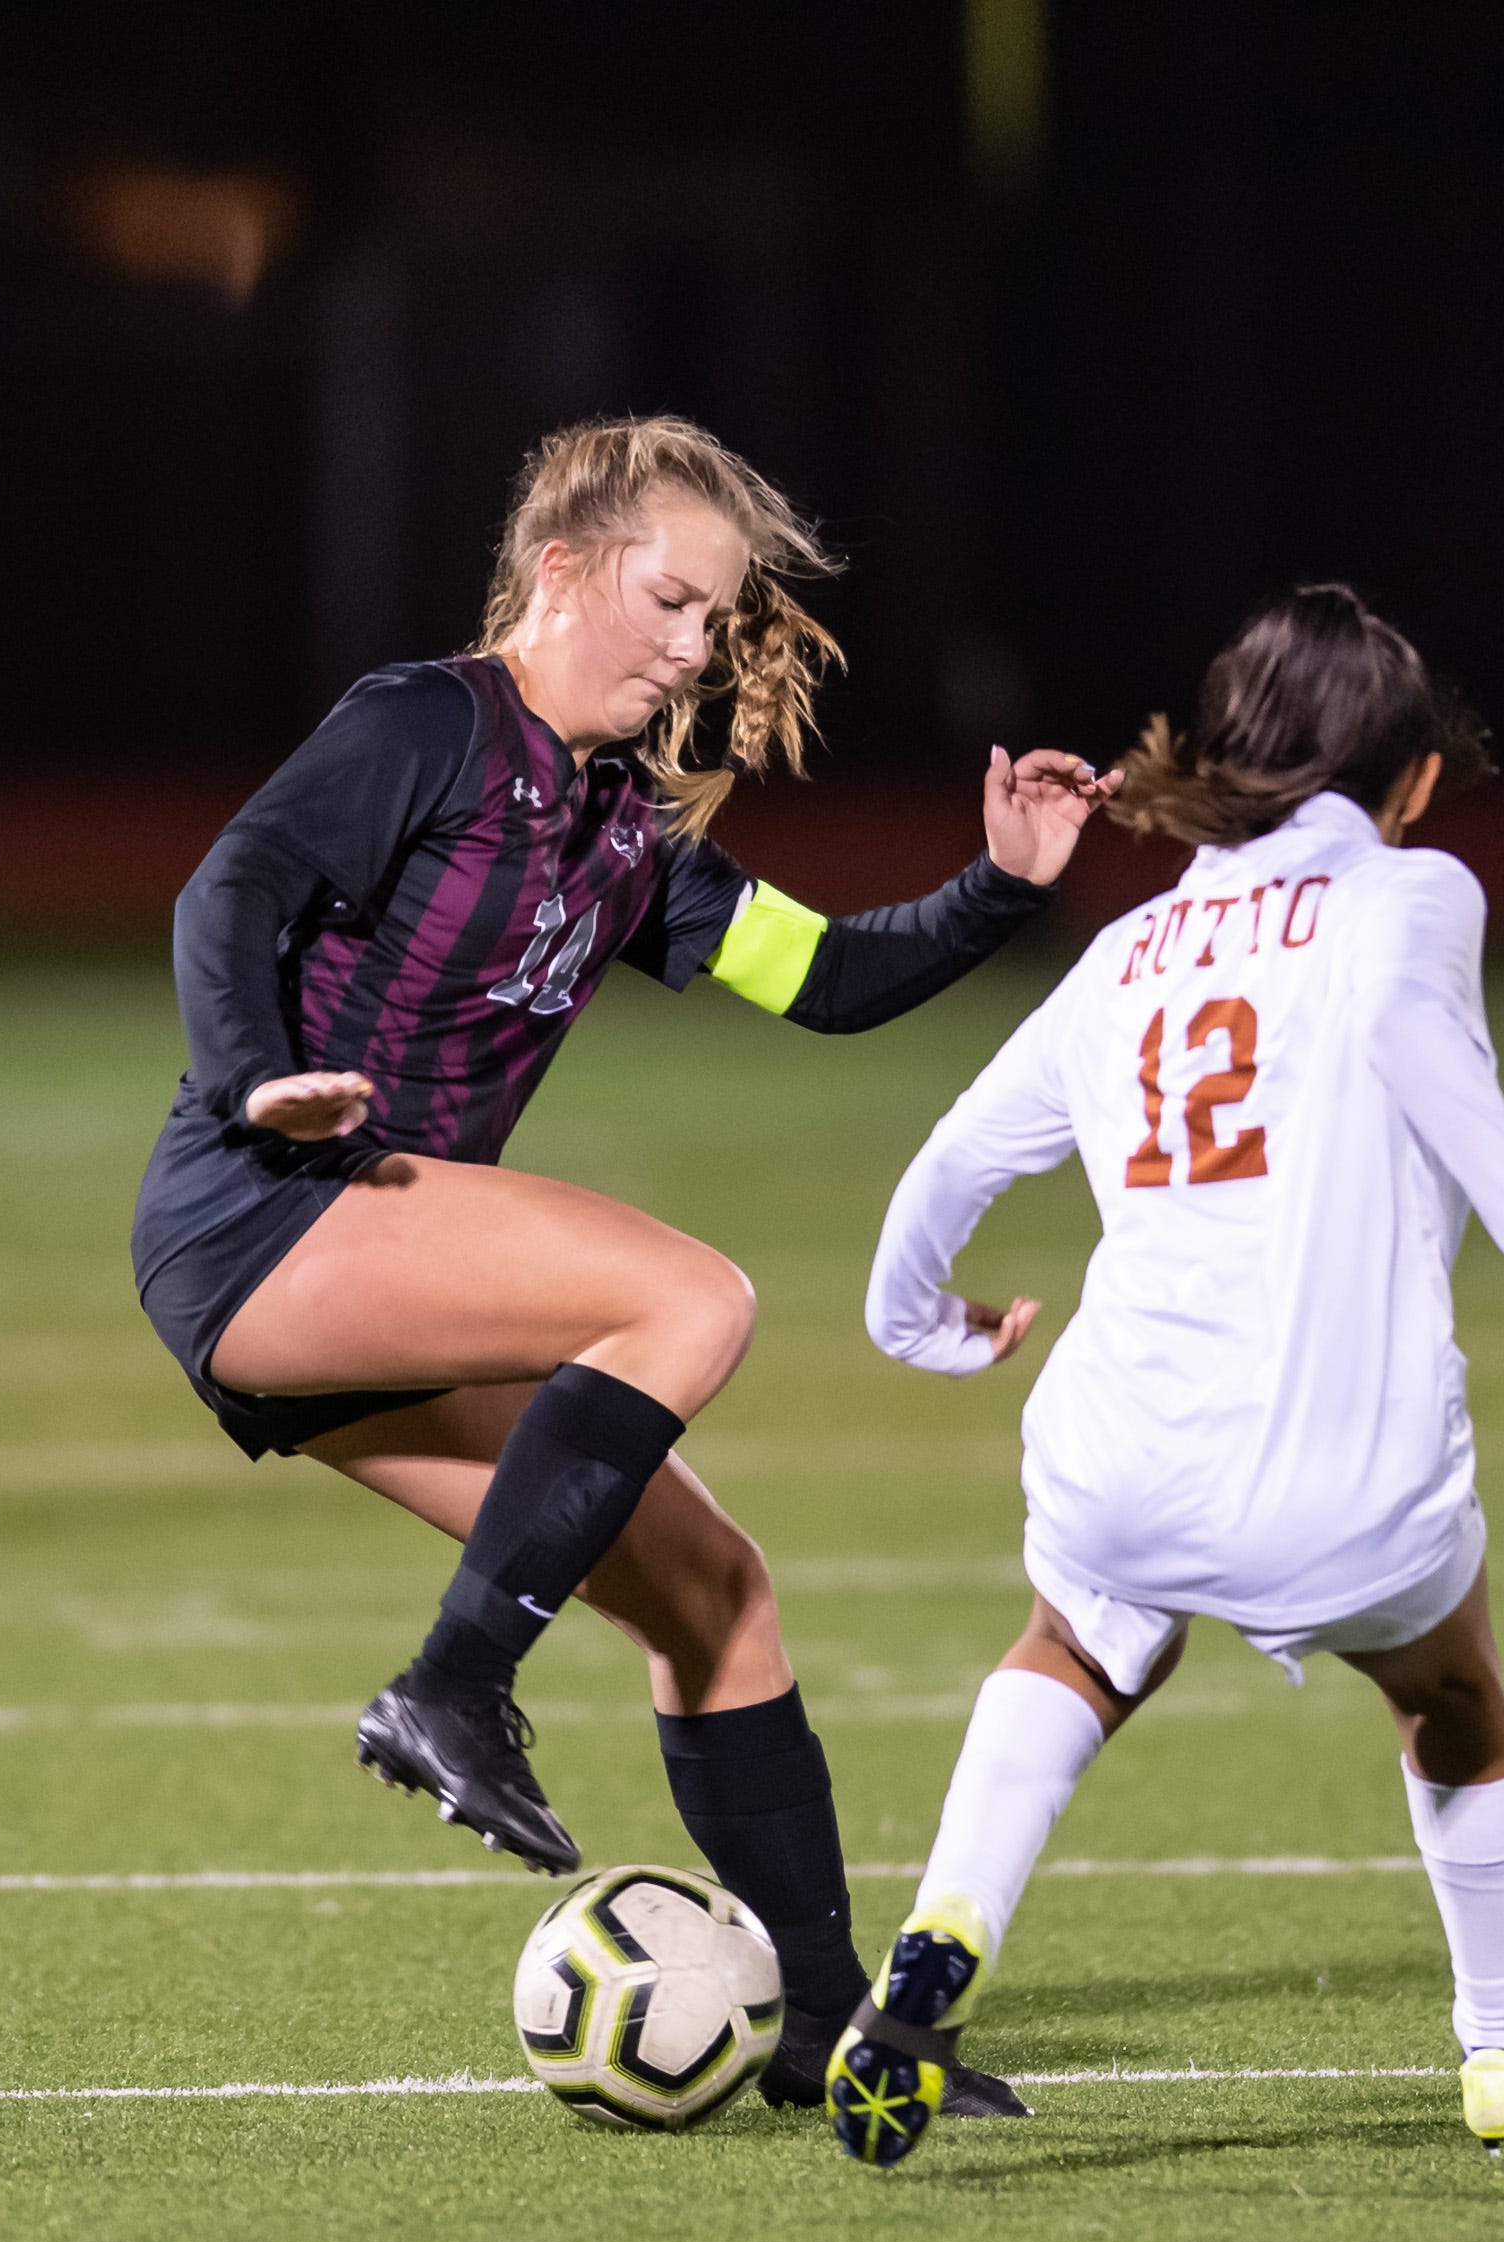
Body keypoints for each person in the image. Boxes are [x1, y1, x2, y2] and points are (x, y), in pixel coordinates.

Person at [131, 413, 1118, 2112]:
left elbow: (828, 976)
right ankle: (454, 1685)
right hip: (264, 1212)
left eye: (713, 623)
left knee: (717, 1598)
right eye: (669, 602)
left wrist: (998, 891)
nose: (690, 650)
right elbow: (233, 887)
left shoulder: (617, 831)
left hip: (372, 1261)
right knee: (688, 1295)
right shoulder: (426, 722)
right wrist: (251, 1081)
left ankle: (826, 2027)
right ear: (559, 567)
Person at [827, 584, 1504, 2167]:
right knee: (1454, 1698)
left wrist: (909, 1322)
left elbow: (952, 1160)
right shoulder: (1412, 899)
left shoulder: (1132, 943)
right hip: (1343, 1471)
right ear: (1409, 780)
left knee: (1077, 1643)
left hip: (1121, 1448)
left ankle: (945, 1924)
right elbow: (1442, 1074)